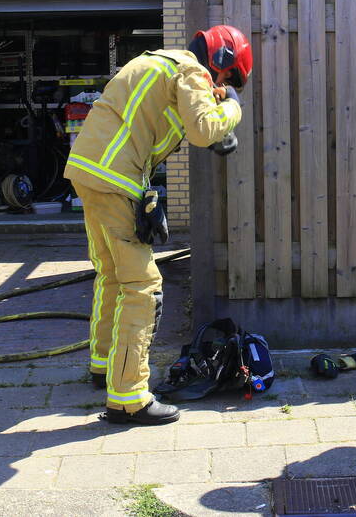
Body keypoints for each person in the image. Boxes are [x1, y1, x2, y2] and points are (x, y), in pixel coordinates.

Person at [64, 25, 249, 425]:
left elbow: (176, 120)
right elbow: (202, 130)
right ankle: (128, 397)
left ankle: (103, 364)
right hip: (115, 176)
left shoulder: (160, 63)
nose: (222, 85)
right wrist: (232, 108)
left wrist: (211, 113)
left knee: (113, 273)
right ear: (219, 60)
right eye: (227, 78)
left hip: (89, 169)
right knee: (143, 286)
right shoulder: (191, 71)